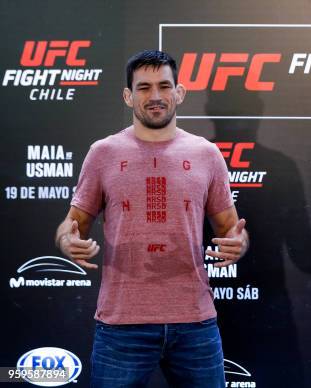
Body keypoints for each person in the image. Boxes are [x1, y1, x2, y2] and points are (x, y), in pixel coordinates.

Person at [54, 50, 249, 388]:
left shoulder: (207, 154)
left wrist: (239, 244)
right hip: (122, 325)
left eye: (164, 86)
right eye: (144, 88)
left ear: (179, 93)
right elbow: (71, 225)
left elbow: (232, 228)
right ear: (128, 96)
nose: (155, 96)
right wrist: (66, 241)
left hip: (195, 323)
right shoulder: (103, 153)